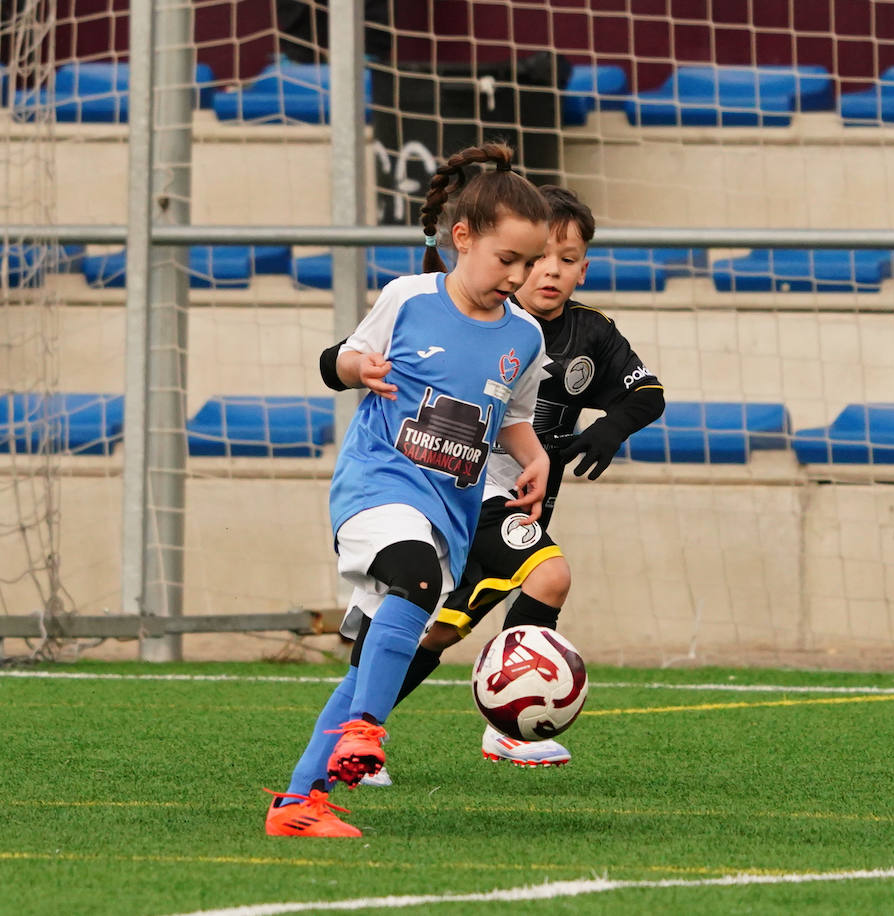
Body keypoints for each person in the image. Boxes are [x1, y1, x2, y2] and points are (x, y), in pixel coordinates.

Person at [320, 186, 665, 781]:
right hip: (464, 492)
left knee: (431, 633)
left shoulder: (561, 335)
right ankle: (502, 728)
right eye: (533, 259)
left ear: (585, 268)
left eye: (565, 258)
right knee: (545, 578)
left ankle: (354, 738)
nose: (546, 271)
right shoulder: (439, 307)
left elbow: (631, 397)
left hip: (499, 503)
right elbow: (344, 356)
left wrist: (602, 432)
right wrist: (355, 366)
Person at [264, 142, 553, 838]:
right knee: (416, 582)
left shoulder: (526, 337)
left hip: (446, 514)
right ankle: (369, 728)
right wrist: (356, 366)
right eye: (505, 259)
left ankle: (299, 805)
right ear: (462, 239)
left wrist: (534, 455)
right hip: (377, 488)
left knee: (376, 655)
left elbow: (509, 416)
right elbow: (335, 361)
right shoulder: (408, 299)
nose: (515, 276)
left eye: (528, 264)